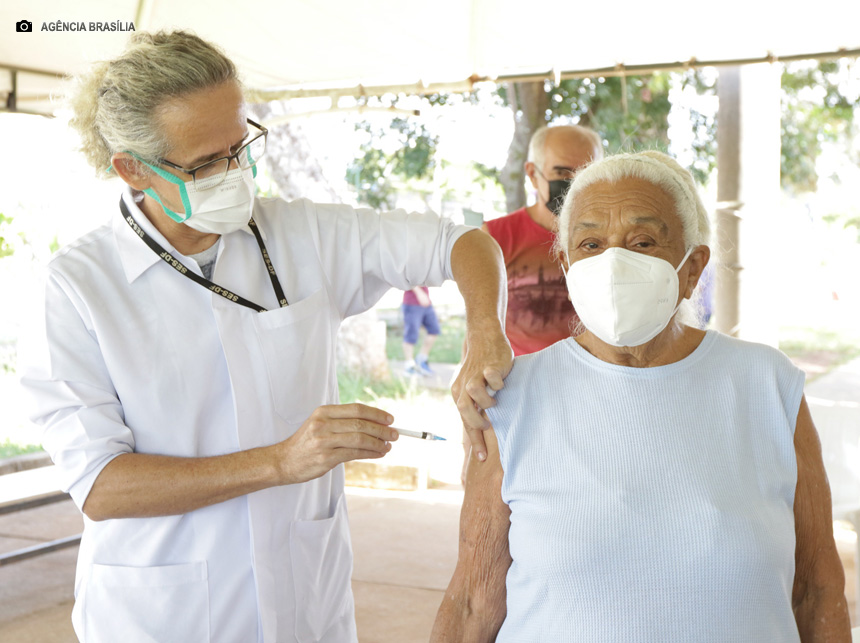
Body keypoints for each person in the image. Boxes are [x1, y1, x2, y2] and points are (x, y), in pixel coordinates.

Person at [18, 30, 511, 642]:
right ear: (132, 168)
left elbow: (461, 242)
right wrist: (281, 461)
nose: (234, 173)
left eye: (239, 145)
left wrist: (485, 330)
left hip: (308, 611)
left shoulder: (301, 233)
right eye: (205, 163)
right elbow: (101, 485)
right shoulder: (78, 287)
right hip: (162, 618)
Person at [431, 151, 850, 642]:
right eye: (591, 243)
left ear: (692, 269)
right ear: (566, 265)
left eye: (643, 242)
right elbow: (473, 602)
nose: (613, 263)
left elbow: (817, 590)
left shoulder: (767, 385)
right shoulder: (513, 399)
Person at [484, 124, 603, 356]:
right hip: (519, 373)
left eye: (586, 173)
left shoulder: (613, 238)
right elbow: (479, 325)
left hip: (592, 373)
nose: (575, 183)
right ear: (532, 174)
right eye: (562, 173)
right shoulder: (496, 236)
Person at [402, 286, 439, 376]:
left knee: (434, 330)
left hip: (426, 302)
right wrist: (419, 292)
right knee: (411, 335)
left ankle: (421, 360)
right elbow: (407, 279)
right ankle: (409, 366)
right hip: (412, 303)